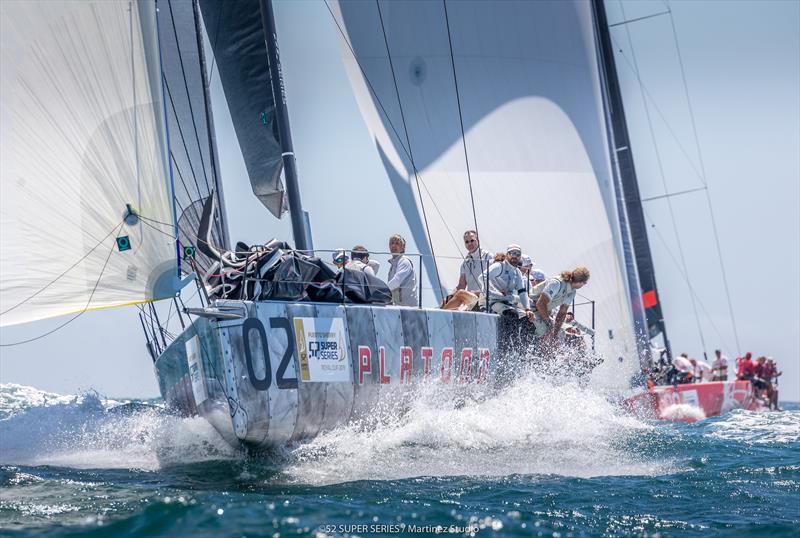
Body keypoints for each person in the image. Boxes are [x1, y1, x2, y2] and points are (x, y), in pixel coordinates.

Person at [529, 266, 590, 339]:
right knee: (545, 332)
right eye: (585, 283)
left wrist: (555, 334)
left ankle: (547, 347)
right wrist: (550, 325)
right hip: (531, 307)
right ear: (581, 282)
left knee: (560, 334)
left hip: (542, 310)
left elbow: (562, 313)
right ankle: (535, 349)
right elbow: (540, 304)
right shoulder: (557, 283)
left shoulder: (572, 292)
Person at [482, 245, 534, 320]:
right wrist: (495, 291)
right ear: (507, 255)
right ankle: (508, 332)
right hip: (494, 302)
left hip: (509, 303)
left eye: (518, 254)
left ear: (520, 257)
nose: (515, 256)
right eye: (512, 253)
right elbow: (482, 277)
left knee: (528, 319)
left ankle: (520, 332)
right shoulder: (499, 266)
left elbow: (522, 292)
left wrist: (528, 309)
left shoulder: (517, 272)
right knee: (512, 314)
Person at [387, 234, 418, 306]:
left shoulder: (404, 261)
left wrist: (381, 291)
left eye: (397, 244)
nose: (393, 246)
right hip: (398, 306)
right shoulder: (393, 265)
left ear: (402, 248)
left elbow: (396, 281)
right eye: (391, 243)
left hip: (408, 307)